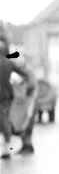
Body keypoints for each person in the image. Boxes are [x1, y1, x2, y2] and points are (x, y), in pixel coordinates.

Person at [0, 26, 37, 159]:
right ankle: (18, 145)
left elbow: (29, 80)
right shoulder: (12, 64)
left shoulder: (19, 67)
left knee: (13, 121)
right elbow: (26, 77)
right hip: (13, 97)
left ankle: (20, 146)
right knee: (13, 120)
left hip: (17, 98)